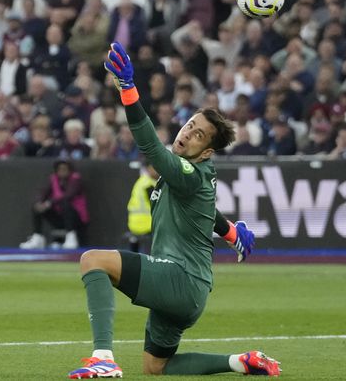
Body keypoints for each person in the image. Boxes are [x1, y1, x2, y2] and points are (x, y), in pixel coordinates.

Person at [67, 43, 280, 378]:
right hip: (191, 293)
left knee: (92, 260)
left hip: (179, 278)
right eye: (190, 125)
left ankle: (103, 358)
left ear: (207, 151)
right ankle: (241, 361)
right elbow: (204, 212)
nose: (188, 134)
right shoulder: (196, 176)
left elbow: (150, 145)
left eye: (198, 135)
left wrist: (128, 88)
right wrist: (230, 232)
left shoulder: (188, 172)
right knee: (157, 368)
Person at [20, 159, 88, 250]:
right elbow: (43, 192)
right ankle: (38, 237)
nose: (62, 172)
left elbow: (68, 195)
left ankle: (71, 237)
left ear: (70, 170)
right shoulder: (53, 179)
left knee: (65, 203)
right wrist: (39, 202)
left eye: (65, 169)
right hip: (59, 218)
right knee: (37, 207)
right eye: (60, 169)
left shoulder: (76, 179)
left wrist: (49, 203)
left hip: (76, 218)